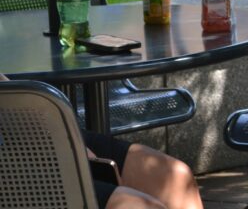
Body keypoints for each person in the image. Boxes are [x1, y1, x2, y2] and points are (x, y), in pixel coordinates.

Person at [0, 73, 203, 209]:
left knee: (176, 176)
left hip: (19, 128)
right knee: (138, 205)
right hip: (10, 170)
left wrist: (61, 139)